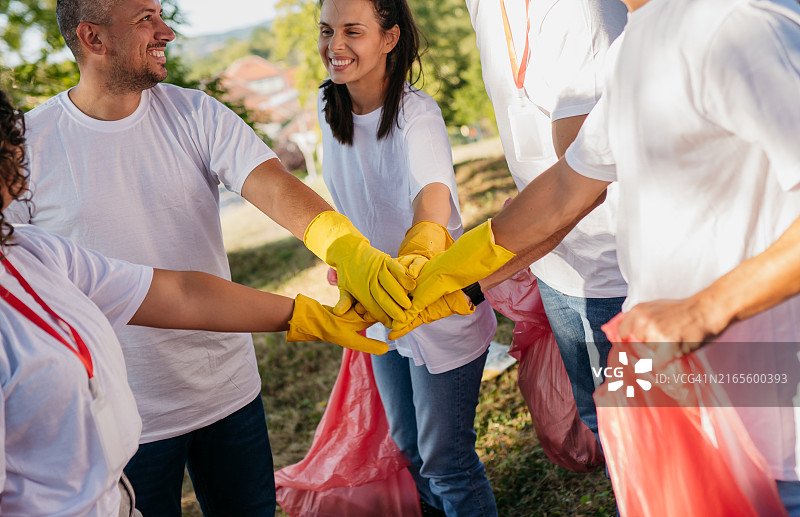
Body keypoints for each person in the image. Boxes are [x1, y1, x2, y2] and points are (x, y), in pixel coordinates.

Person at [4, 1, 415, 515]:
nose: (166, 31)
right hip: (125, 414)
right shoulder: (30, 147)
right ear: (93, 37)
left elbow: (273, 186)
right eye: (145, 20)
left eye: (160, 14)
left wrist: (345, 248)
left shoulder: (194, 112)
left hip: (228, 391)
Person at [393, 0, 800, 513]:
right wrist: (447, 277)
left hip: (774, 416)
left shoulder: (734, 24)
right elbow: (567, 189)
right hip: (688, 403)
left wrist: (704, 309)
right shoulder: (632, 46)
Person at [315, 0, 498, 515]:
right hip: (380, 306)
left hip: (437, 302)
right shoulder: (327, 109)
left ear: (390, 38)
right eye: (327, 31)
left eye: (353, 31)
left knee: (447, 460)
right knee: (410, 447)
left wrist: (420, 248)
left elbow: (433, 193)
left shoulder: (417, 112)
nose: (336, 45)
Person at [464, 0, 628, 443]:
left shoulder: (579, 11)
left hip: (615, 272)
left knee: (638, 433)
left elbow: (584, 186)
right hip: (558, 263)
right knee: (604, 424)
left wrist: (468, 277)